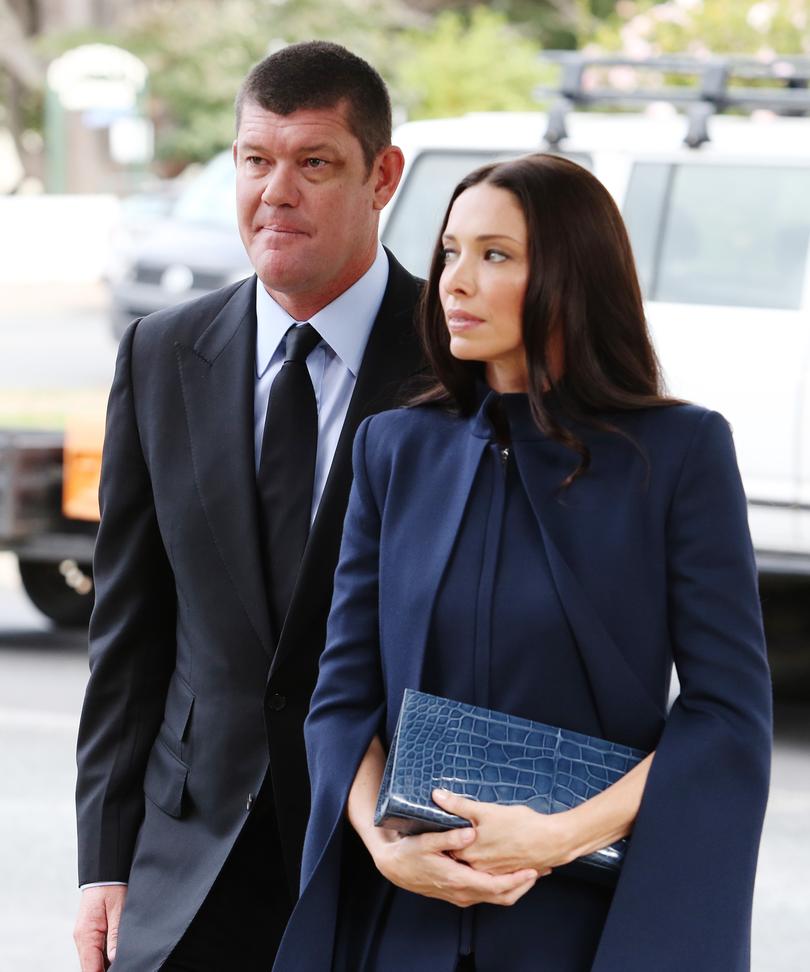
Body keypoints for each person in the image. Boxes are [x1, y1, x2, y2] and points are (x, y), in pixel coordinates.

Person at [273, 154, 773, 971]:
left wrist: (554, 839)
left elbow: (727, 714)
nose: (455, 281)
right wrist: (382, 842)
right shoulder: (393, 449)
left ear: (573, 277)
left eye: (495, 255)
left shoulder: (680, 452)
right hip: (402, 917)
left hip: (581, 924)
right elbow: (341, 699)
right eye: (449, 253)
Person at [73, 41, 422, 972]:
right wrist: (102, 863)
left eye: (314, 163)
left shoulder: (456, 364)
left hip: (386, 860)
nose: (276, 192)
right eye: (255, 160)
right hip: (189, 862)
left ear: (382, 175)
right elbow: (129, 628)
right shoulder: (160, 352)